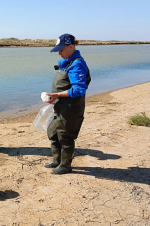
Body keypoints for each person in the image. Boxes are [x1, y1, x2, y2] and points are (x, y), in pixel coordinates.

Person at [44, 33, 91, 174]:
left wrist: (57, 94)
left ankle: (65, 165)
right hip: (60, 107)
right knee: (53, 132)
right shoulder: (67, 62)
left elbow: (79, 89)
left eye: (61, 49)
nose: (59, 53)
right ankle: (56, 160)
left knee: (65, 136)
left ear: (71, 46)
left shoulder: (77, 64)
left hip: (71, 108)